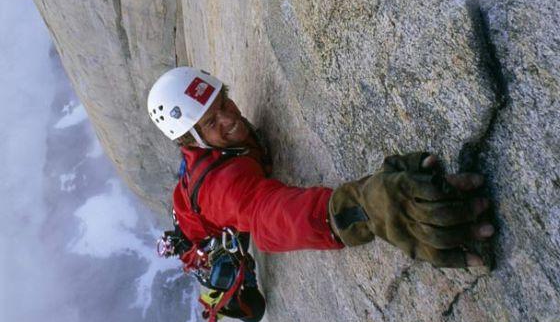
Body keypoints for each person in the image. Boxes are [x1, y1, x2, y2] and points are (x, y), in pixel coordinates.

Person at [148, 67, 493, 269]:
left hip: (192, 199)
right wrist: (360, 210)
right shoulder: (222, 188)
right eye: (211, 122)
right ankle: (186, 250)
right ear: (192, 142)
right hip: (199, 223)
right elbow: (267, 214)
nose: (230, 117)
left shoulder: (217, 139)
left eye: (224, 101)